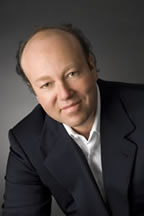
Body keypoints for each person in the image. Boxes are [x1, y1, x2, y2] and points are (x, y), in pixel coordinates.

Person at [2, 24, 144, 216]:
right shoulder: (26, 142)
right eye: (46, 84)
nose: (64, 94)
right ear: (34, 91)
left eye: (71, 74)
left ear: (91, 66)